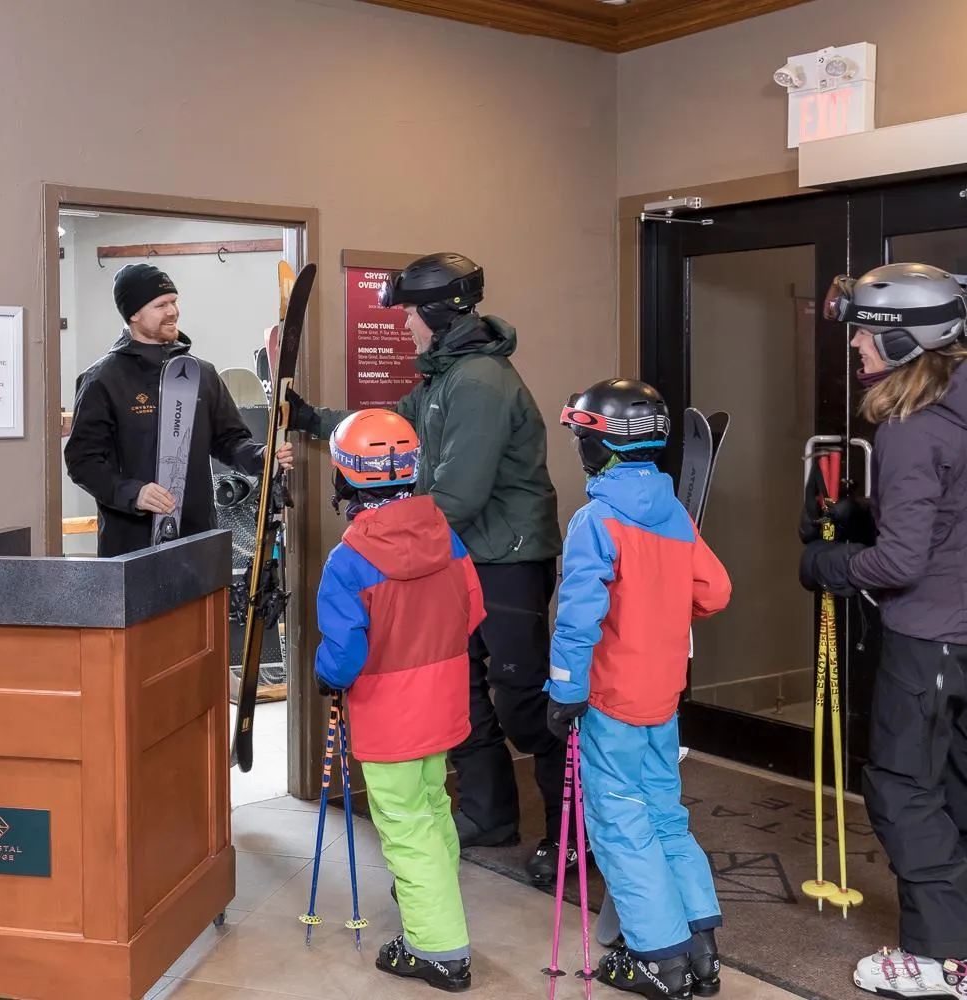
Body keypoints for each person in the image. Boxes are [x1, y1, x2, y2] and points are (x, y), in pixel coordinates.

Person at [800, 263, 967, 999]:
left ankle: (950, 960)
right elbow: (941, 514)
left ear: (905, 341)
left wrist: (832, 564)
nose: (856, 349)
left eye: (867, 337)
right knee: (957, 769)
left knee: (903, 787)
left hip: (933, 633)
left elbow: (903, 561)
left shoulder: (910, 430)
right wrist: (864, 519)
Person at [287, 252, 570, 884]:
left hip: (507, 559)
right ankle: (490, 815)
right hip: (463, 555)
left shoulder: (479, 383)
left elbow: (459, 496)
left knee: (525, 702)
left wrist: (382, 541)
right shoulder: (445, 376)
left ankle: (573, 836)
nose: (405, 326)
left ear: (438, 313)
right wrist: (312, 421)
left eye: (411, 313)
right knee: (465, 689)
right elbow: (387, 429)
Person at [544, 378, 730, 1000]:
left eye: (582, 437)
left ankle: (658, 960)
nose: (578, 448)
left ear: (602, 446)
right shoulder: (674, 514)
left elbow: (578, 616)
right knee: (666, 818)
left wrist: (565, 689)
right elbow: (714, 591)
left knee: (621, 824)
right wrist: (662, 609)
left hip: (610, 699)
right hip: (662, 698)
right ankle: (700, 952)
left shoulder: (595, 520)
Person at [313, 408, 485, 993]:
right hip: (442, 703)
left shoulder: (349, 562)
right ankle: (434, 895)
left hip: (389, 718)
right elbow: (473, 612)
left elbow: (343, 655)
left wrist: (324, 675)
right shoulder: (449, 537)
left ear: (345, 478)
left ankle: (439, 950)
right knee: (434, 806)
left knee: (405, 823)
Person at [64, 262, 292, 557]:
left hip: (197, 538)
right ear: (133, 313)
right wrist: (134, 493)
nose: (173, 311)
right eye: (161, 305)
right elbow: (82, 462)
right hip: (132, 547)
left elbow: (229, 441)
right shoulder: (102, 380)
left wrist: (263, 456)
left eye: (174, 301)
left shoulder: (202, 374)